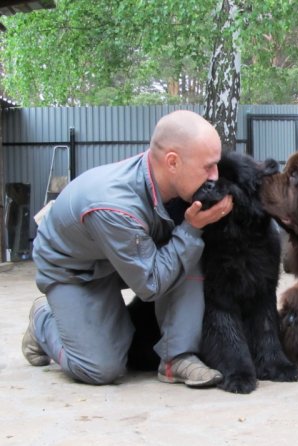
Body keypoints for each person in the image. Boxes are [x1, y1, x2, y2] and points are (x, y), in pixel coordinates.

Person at [22, 110, 234, 387]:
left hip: (123, 256)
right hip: (75, 269)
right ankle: (44, 320)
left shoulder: (165, 180)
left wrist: (192, 231)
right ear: (172, 162)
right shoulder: (116, 206)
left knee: (188, 245)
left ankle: (177, 357)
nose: (215, 176)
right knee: (101, 368)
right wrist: (191, 228)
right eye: (208, 167)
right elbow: (151, 285)